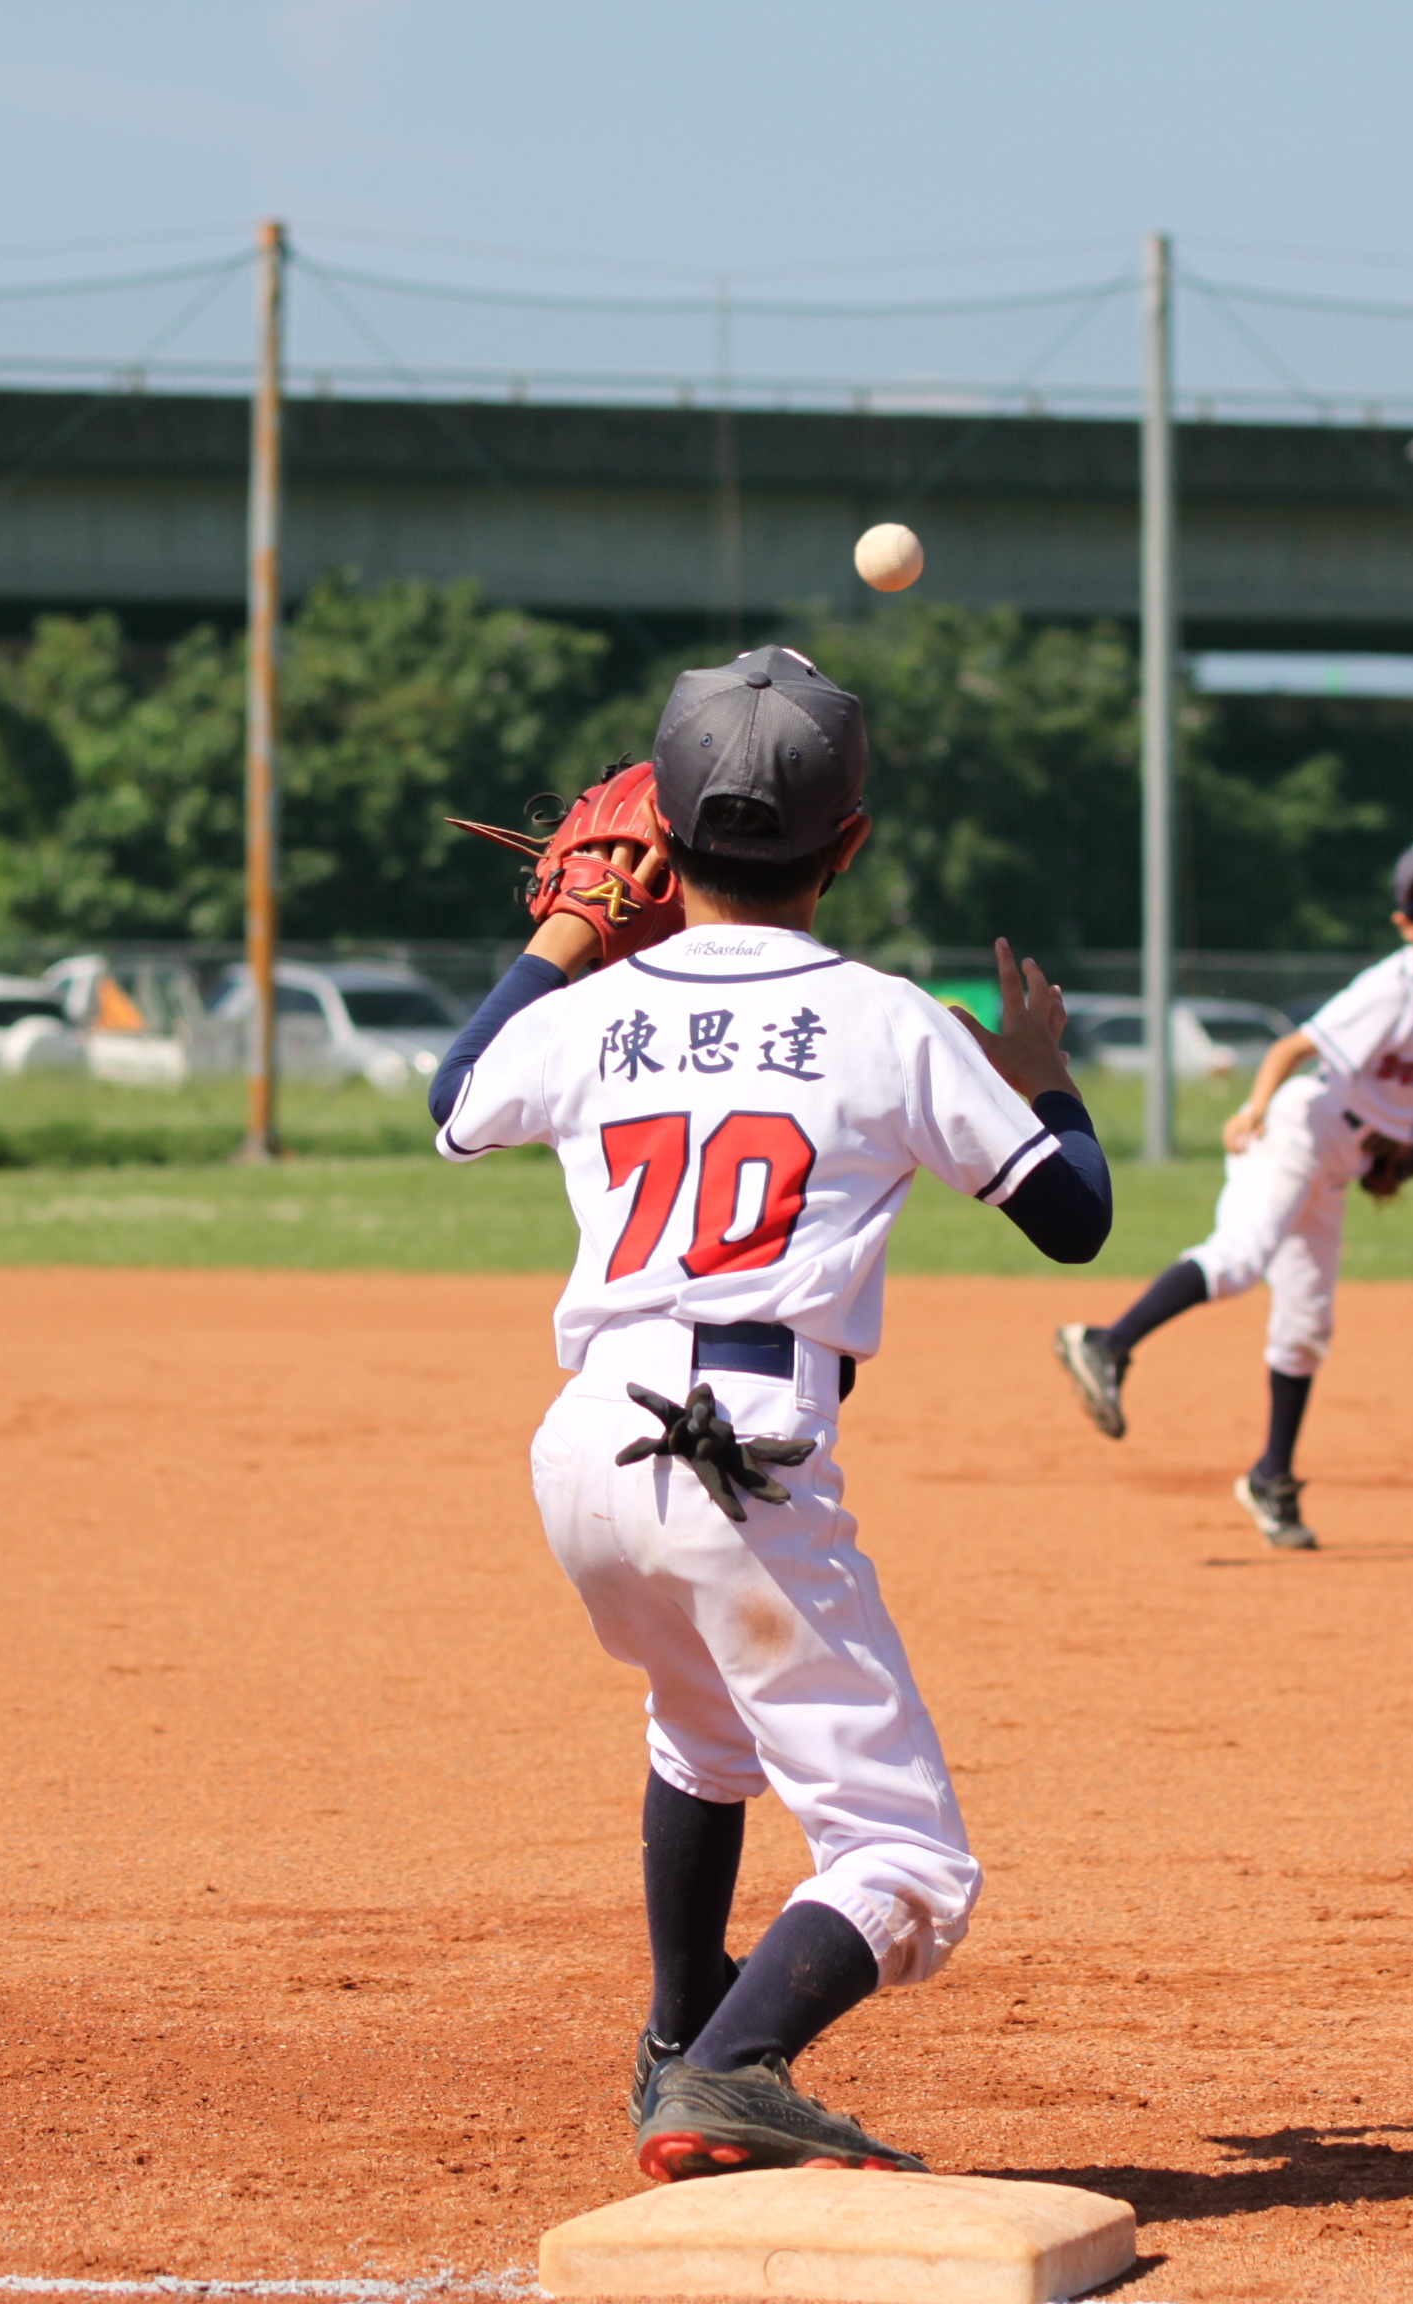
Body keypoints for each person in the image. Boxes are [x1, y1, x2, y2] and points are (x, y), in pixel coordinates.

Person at [428, 645, 1113, 2182]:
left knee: (701, 1731)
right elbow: (1073, 1217)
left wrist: (567, 931)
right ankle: (731, 2069)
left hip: (586, 1445)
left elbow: (455, 1099)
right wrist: (1041, 1076)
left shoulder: (594, 1007)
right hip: (737, 1448)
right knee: (907, 1859)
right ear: (847, 844)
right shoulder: (886, 1020)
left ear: (661, 836)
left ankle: (680, 2036)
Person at [1051, 832, 1413, 1548]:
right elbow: (1292, 1048)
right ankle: (1106, 1342)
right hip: (1295, 1133)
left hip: (1338, 1164)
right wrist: (1253, 1109)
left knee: (1307, 1326)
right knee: (1240, 1258)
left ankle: (1270, 1479)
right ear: (1404, 923)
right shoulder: (1394, 988)